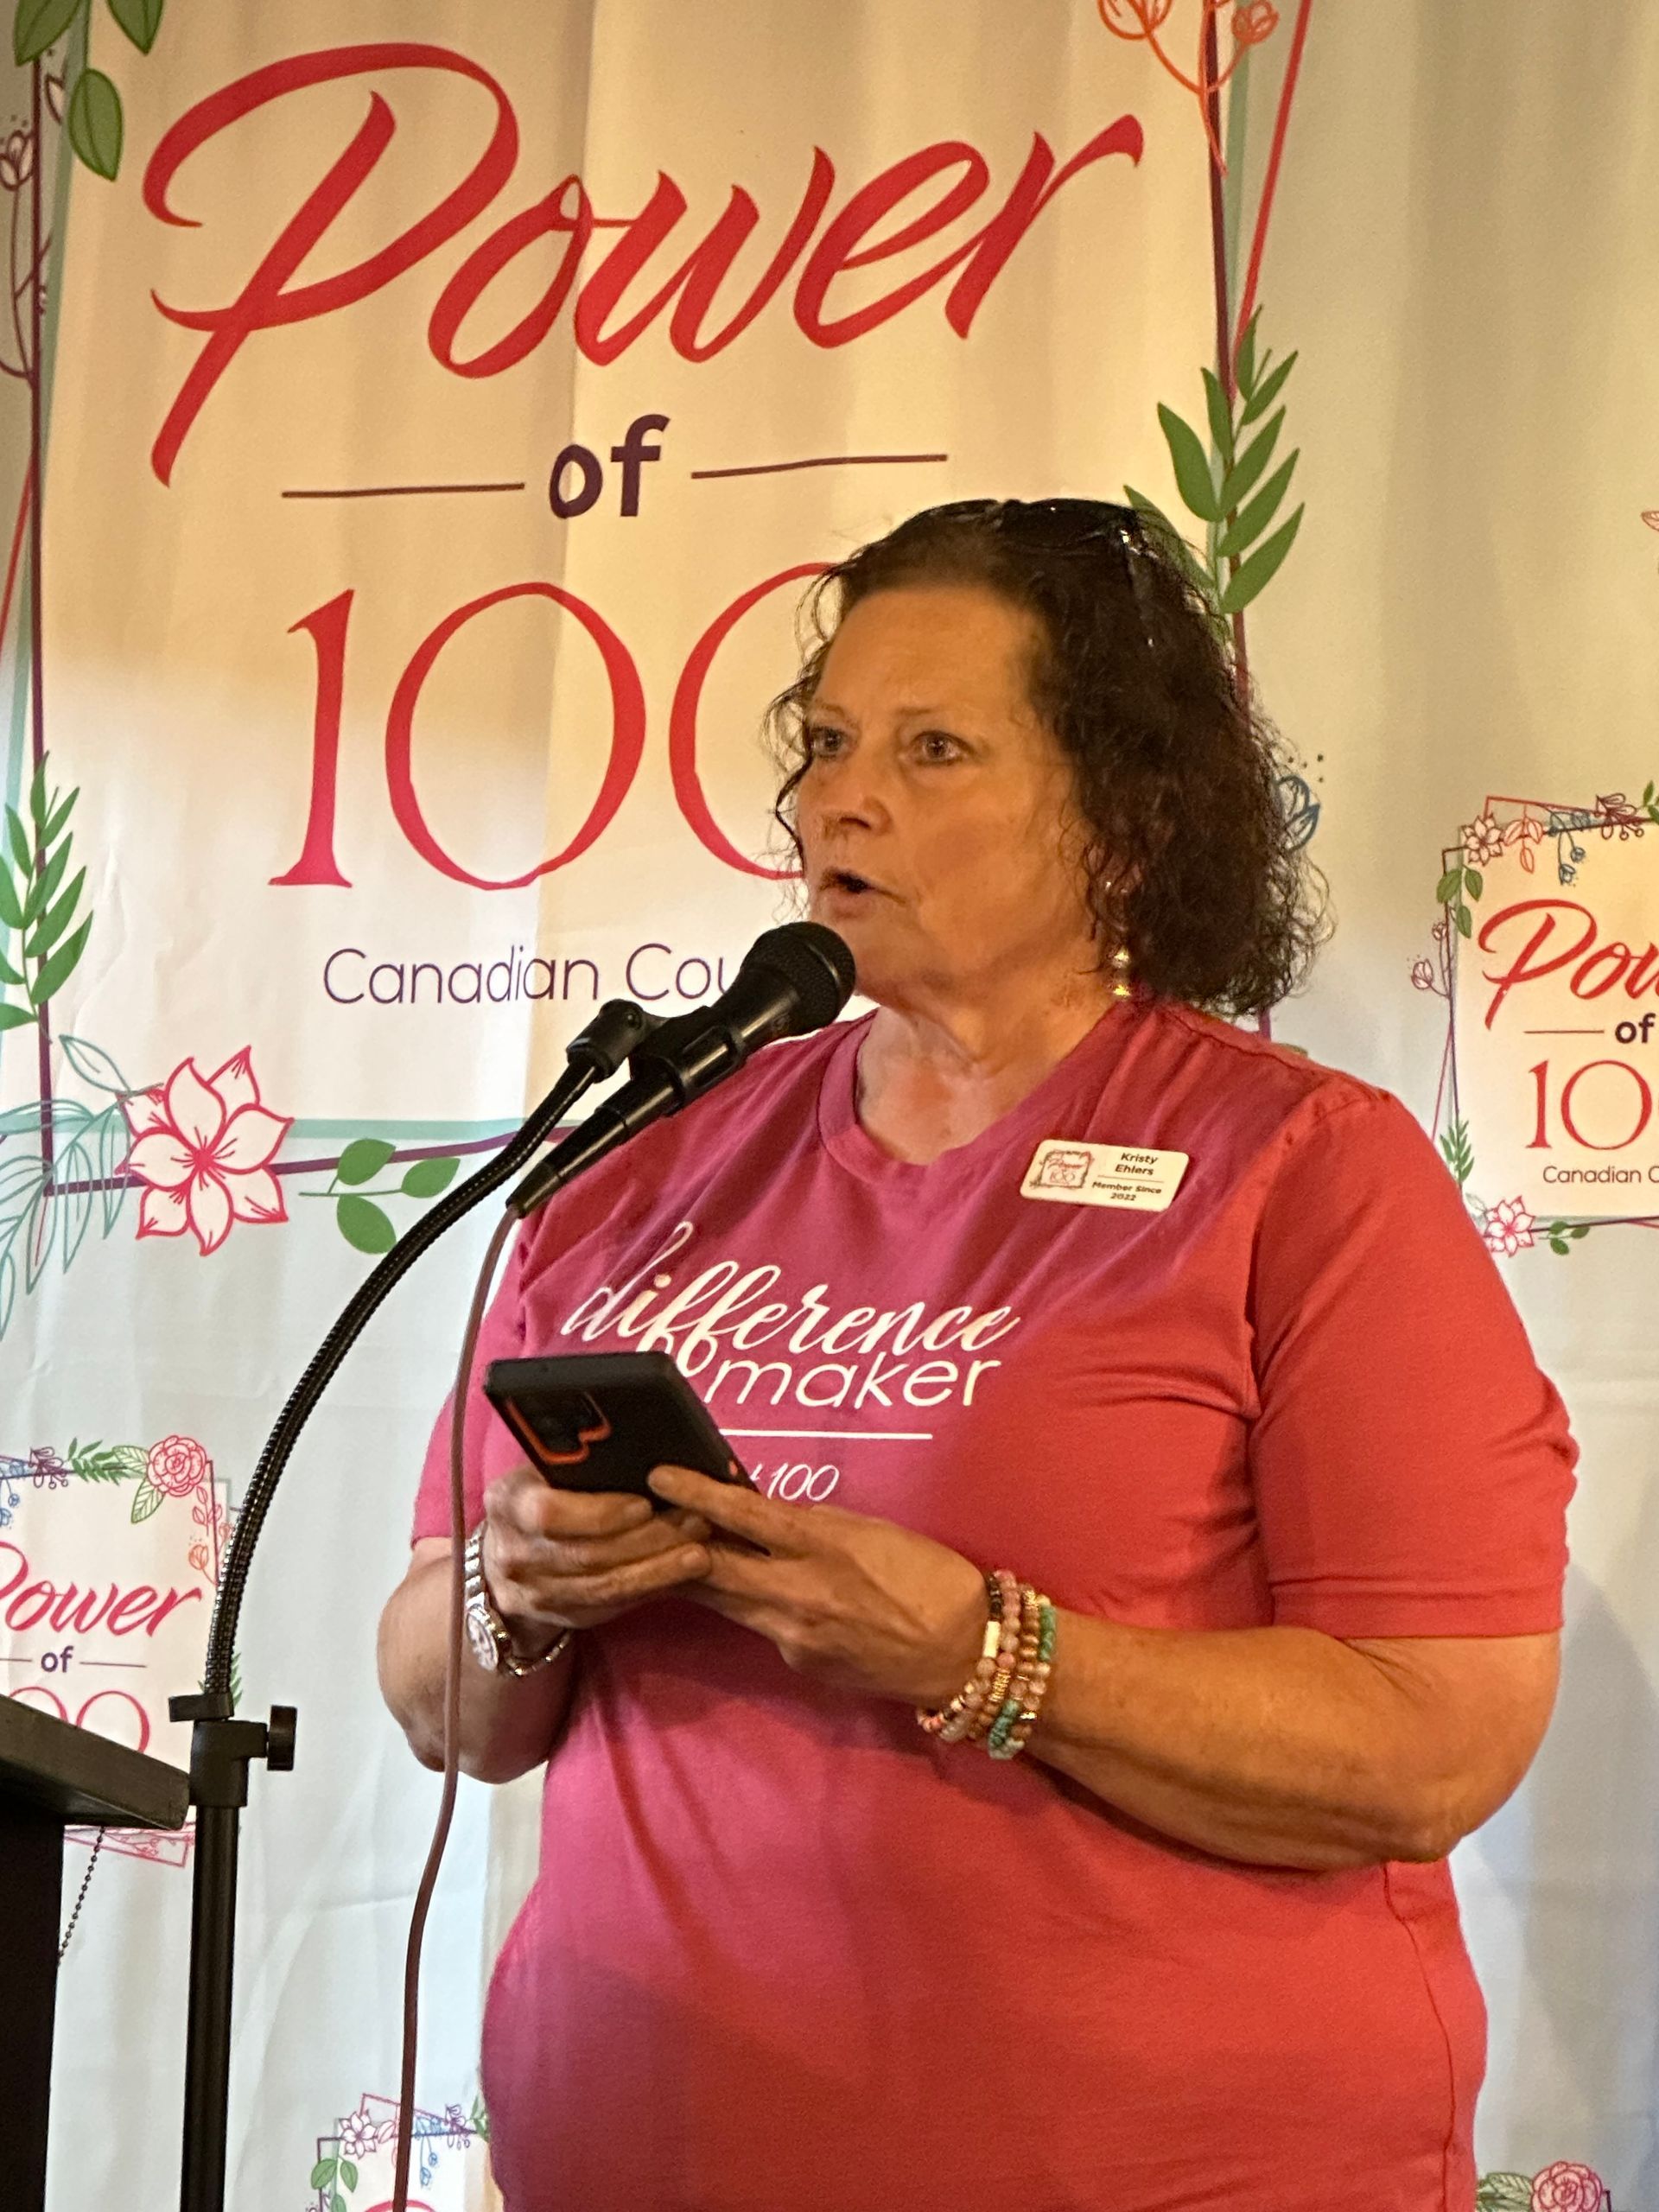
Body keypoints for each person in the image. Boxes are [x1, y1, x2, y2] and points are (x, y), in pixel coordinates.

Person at [378, 498, 1575, 2212]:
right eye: (827, 742)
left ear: (1125, 817)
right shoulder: (645, 1165)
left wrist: (990, 1654)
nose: (841, 799)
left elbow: (1437, 1735)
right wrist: (520, 1590)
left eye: (933, 749)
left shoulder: (1301, 1168)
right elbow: (442, 1690)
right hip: (644, 2150)